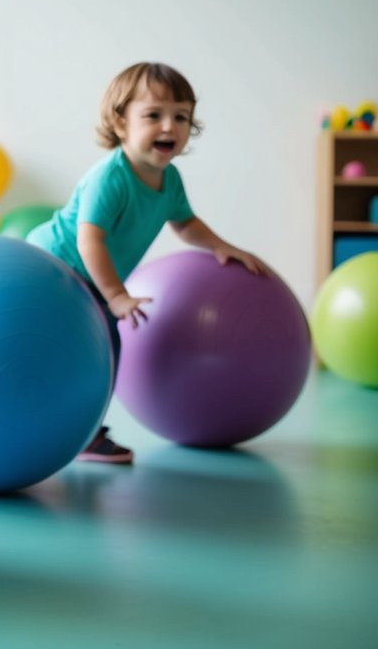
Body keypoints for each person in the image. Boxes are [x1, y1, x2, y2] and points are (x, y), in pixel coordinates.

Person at [27, 62, 266, 465]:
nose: (169, 127)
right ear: (121, 124)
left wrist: (223, 247)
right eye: (153, 115)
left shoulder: (169, 180)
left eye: (181, 117)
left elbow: (186, 224)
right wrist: (118, 296)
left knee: (105, 351)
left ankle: (84, 432)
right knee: (70, 350)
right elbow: (90, 242)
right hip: (54, 269)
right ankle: (60, 423)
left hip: (91, 281)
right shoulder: (111, 178)